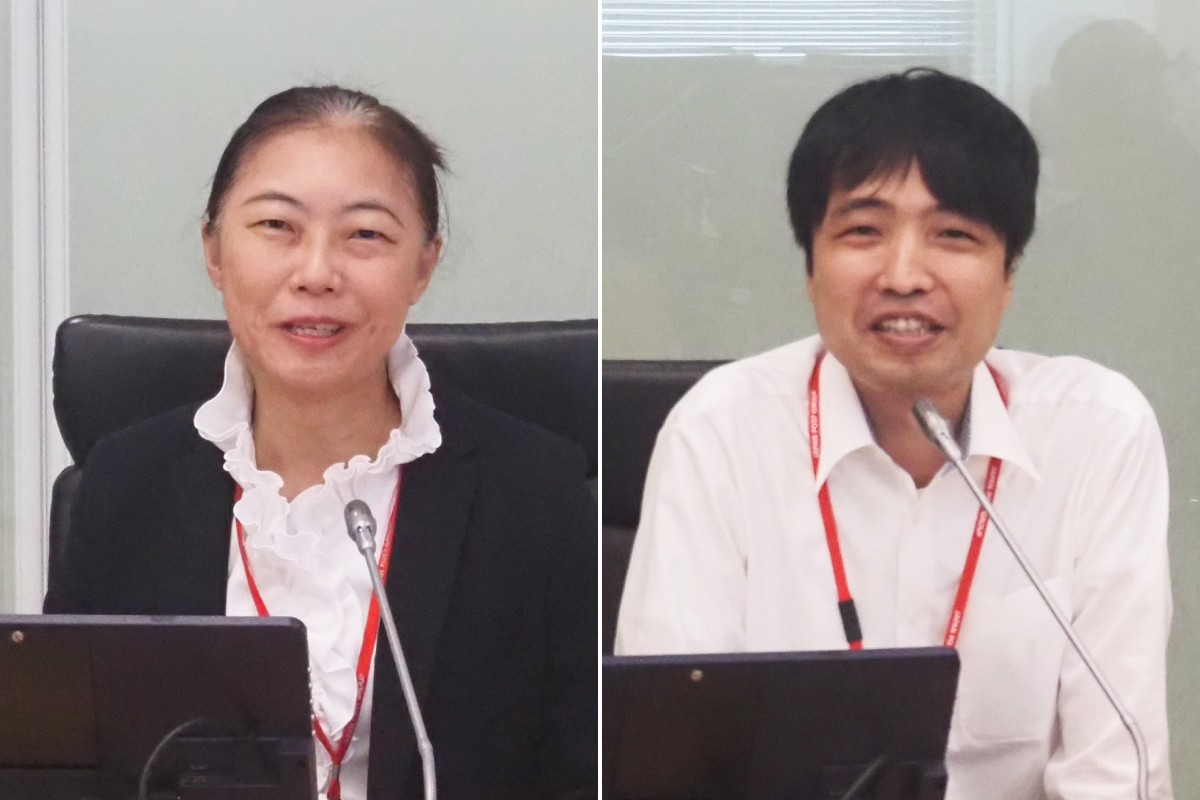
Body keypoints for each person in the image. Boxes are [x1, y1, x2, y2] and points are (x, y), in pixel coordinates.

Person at [614, 69, 1171, 798]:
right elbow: (671, 770)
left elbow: (1116, 771)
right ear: (810, 269)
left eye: (954, 235)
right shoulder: (720, 432)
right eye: (863, 232)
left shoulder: (1096, 434)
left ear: (1009, 275)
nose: (904, 276)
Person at [43, 86, 596, 800]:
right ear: (214, 251)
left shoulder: (537, 493)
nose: (316, 274)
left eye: (365, 235)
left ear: (423, 266)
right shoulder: (126, 485)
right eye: (277, 225)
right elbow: (64, 768)